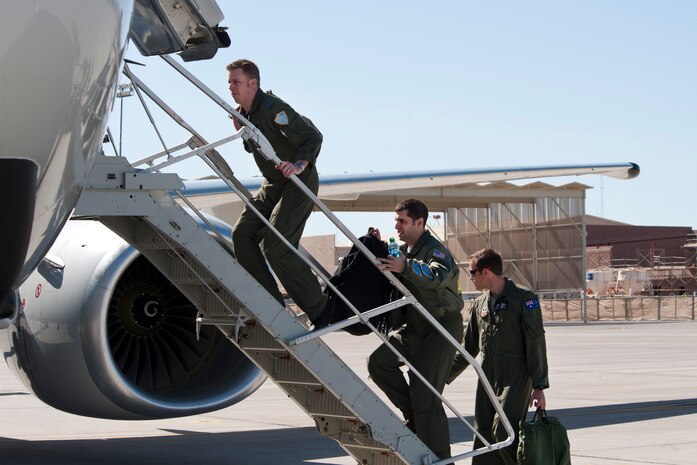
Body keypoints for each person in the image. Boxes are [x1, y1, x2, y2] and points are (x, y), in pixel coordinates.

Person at [226, 59, 327, 325]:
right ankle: (270, 306)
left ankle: (321, 310)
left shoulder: (273, 109)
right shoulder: (243, 115)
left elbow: (313, 137)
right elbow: (258, 148)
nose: (230, 88)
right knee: (242, 234)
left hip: (297, 181)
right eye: (229, 83)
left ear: (253, 83)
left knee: (276, 246)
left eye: (235, 82)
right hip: (272, 183)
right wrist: (241, 130)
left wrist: (298, 165)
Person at [367, 199, 464, 461]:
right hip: (414, 327)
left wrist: (406, 266)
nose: (396, 225)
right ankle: (416, 418)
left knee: (428, 399)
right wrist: (378, 245)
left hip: (439, 329)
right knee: (378, 363)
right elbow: (393, 262)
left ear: (419, 223)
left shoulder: (436, 250)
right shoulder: (401, 250)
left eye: (402, 221)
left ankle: (440, 458)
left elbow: (438, 275)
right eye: (396, 220)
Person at [447, 248, 549, 465]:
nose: (471, 277)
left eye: (473, 272)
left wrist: (539, 385)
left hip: (515, 376)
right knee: (483, 435)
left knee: (504, 432)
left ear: (486, 272)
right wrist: (443, 376)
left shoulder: (524, 299)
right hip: (487, 375)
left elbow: (535, 342)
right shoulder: (480, 304)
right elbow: (469, 347)